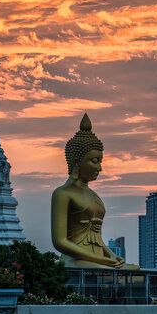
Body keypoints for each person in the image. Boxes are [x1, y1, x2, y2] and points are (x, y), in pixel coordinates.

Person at [51, 113, 139, 269]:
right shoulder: (62, 193)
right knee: (106, 272)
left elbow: (96, 238)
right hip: (75, 261)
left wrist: (111, 255)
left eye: (100, 161)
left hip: (98, 260)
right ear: (77, 162)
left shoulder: (94, 196)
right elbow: (60, 241)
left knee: (134, 269)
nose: (99, 168)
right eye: (94, 161)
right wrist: (101, 261)